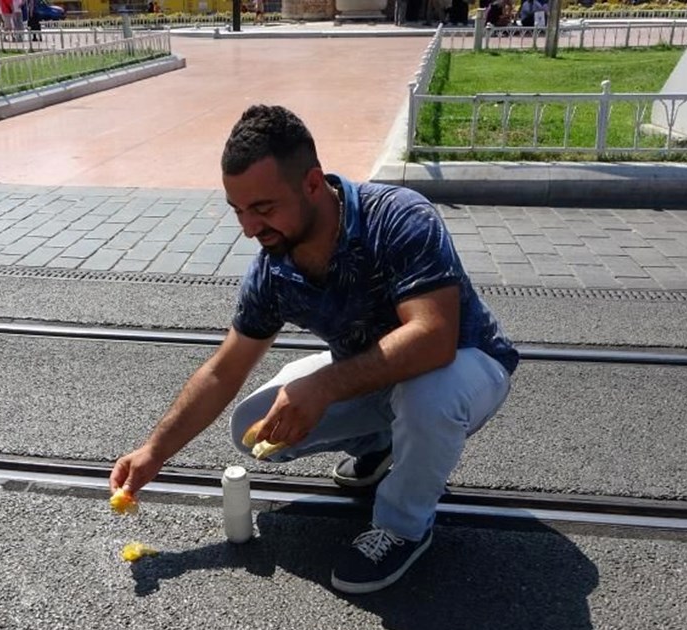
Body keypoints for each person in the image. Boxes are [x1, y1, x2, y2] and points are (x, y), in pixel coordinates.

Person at [109, 105, 518, 595]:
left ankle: (404, 526)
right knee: (252, 427)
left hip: (467, 365)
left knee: (429, 396)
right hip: (374, 378)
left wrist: (321, 386)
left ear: (311, 183)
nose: (249, 229)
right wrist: (155, 451)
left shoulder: (397, 217)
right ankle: (383, 446)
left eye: (262, 208)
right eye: (237, 210)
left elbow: (434, 337)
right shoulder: (272, 269)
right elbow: (225, 370)